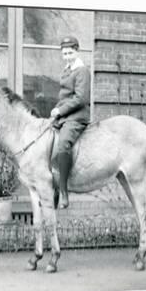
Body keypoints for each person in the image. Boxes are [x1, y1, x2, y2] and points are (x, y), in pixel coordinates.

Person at [50, 36, 91, 208]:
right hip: (65, 116)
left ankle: (64, 190)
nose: (67, 56)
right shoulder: (67, 70)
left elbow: (81, 98)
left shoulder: (82, 71)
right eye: (64, 53)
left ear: (77, 51)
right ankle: (53, 183)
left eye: (70, 53)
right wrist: (55, 113)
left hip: (77, 117)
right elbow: (64, 96)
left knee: (63, 145)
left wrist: (60, 111)